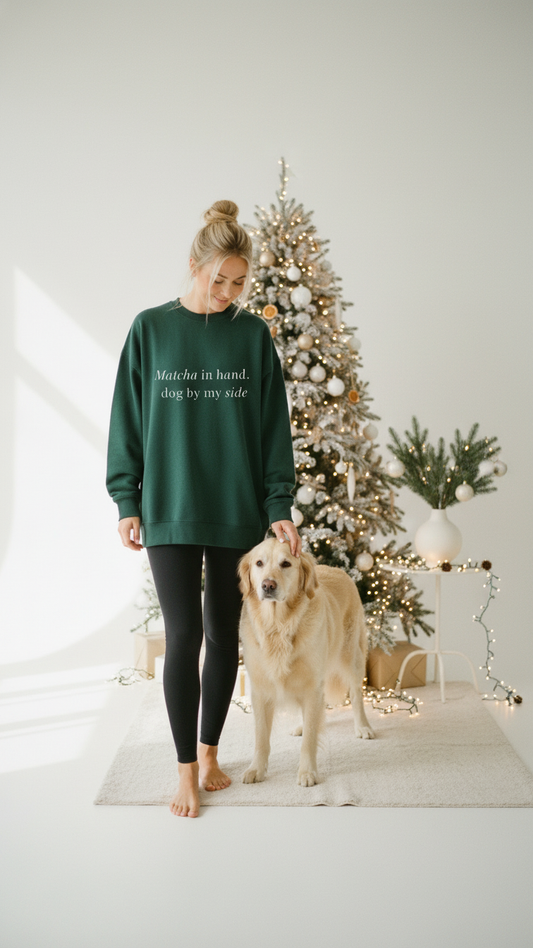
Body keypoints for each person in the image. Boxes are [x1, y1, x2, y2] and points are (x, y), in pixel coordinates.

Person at [106, 200, 301, 818]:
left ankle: (212, 752)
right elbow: (127, 419)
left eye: (240, 283)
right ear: (194, 266)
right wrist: (125, 497)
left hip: (237, 510)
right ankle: (185, 770)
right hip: (169, 506)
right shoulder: (151, 329)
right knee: (183, 634)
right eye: (219, 279)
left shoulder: (252, 335)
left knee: (223, 634)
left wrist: (278, 503)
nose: (228, 292)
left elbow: (274, 427)